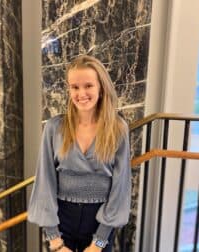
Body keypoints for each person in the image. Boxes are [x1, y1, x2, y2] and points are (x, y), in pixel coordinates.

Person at [28, 55, 131, 252]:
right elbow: (44, 182)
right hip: (61, 220)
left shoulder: (118, 128)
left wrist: (99, 242)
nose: (81, 93)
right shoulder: (54, 127)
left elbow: (121, 186)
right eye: (74, 87)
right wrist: (55, 240)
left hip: (100, 221)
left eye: (88, 86)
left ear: (101, 87)